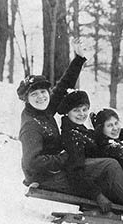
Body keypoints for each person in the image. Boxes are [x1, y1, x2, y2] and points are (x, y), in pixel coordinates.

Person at [57, 90, 123, 224]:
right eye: (76, 110)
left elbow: (103, 136)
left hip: (99, 177)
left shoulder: (79, 129)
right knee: (112, 164)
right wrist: (98, 195)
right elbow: (76, 170)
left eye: (84, 109)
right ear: (67, 112)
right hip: (91, 181)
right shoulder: (72, 136)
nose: (82, 114)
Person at [18, 38, 86, 190]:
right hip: (44, 177)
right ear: (27, 100)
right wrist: (64, 157)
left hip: (53, 169)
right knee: (103, 167)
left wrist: (79, 59)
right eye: (34, 94)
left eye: (43, 92)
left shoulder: (43, 108)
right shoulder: (31, 125)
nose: (41, 97)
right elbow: (32, 162)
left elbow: (63, 85)